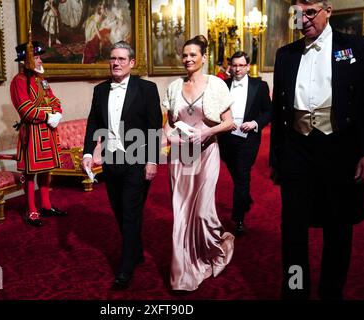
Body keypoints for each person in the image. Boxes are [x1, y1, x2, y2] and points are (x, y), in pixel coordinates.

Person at [270, 0, 364, 299]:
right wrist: (277, 158)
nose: (303, 20)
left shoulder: (355, 47)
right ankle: (295, 290)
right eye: (297, 14)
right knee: (292, 230)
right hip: (296, 150)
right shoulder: (285, 54)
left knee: (338, 229)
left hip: (340, 149)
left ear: (328, 9)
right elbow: (278, 112)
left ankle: (331, 293)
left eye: (310, 12)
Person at [82, 41, 163, 290]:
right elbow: (93, 122)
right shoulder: (100, 90)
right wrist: (87, 152)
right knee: (119, 210)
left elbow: (154, 126)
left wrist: (152, 160)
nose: (115, 63)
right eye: (112, 58)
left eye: (120, 59)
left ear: (131, 62)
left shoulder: (147, 89)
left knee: (129, 212)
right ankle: (135, 249)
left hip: (137, 161)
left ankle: (125, 267)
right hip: (111, 160)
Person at [162, 35, 236, 291]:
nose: (188, 59)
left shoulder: (216, 85)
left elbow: (230, 122)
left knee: (203, 212)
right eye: (184, 55)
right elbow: (169, 122)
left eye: (193, 55)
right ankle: (183, 271)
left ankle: (217, 247)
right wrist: (166, 136)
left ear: (204, 58)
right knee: (181, 214)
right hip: (181, 156)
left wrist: (206, 133)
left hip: (206, 153)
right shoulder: (173, 87)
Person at [10, 40, 68, 227]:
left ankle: (46, 205)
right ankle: (31, 210)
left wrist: (57, 113)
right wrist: (48, 113)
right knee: (30, 173)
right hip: (32, 134)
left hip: (48, 132)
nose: (40, 60)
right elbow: (26, 110)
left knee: (46, 170)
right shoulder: (19, 82)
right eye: (36, 57)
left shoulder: (41, 80)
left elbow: (55, 100)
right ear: (26, 60)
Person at [218, 51, 272, 234]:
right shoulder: (223, 86)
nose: (238, 69)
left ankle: (238, 219)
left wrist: (255, 123)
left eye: (241, 65)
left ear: (248, 66)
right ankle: (245, 198)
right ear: (230, 67)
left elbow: (268, 112)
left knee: (242, 177)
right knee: (235, 173)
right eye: (235, 65)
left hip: (248, 140)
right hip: (227, 138)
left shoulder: (260, 86)